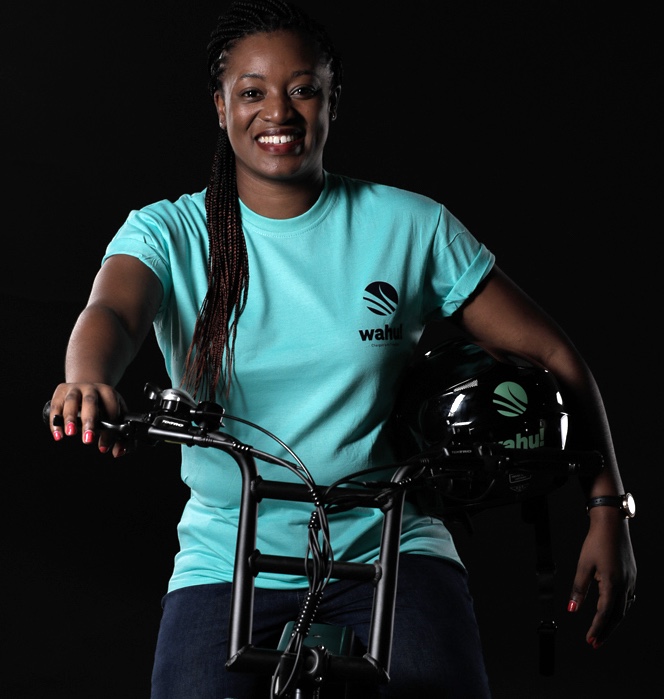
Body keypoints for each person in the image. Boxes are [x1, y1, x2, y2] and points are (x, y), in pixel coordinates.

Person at [46, 1, 637, 697]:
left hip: (393, 542)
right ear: (221, 106)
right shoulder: (169, 231)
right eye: (252, 92)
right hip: (228, 550)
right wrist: (86, 378)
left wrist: (609, 507)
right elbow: (113, 311)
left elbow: (554, 355)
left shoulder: (409, 225)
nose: (278, 111)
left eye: (302, 89)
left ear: (332, 101)